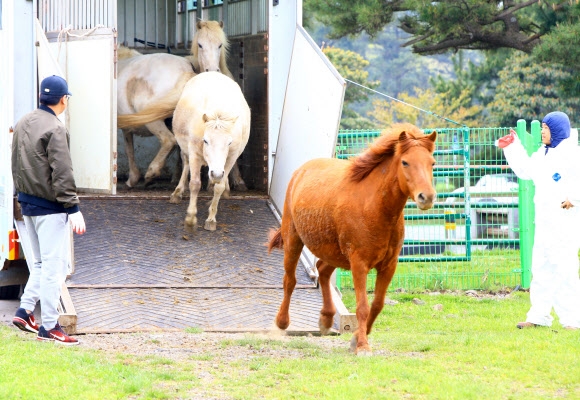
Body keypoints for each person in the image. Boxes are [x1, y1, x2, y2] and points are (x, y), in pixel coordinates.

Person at [11, 75, 86, 345]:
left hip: (27, 204)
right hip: (50, 208)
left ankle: (24, 310)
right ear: (63, 99)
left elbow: (15, 164)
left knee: (42, 264)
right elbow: (62, 171)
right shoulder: (55, 128)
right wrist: (73, 207)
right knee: (55, 268)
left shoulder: (23, 122)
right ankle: (51, 326)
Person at [496, 111, 580, 330]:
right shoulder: (543, 153)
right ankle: (538, 317)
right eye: (542, 127)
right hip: (544, 224)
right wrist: (512, 146)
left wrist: (574, 198)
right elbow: (525, 170)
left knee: (565, 271)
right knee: (541, 269)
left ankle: (573, 320)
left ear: (557, 130)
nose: (542, 132)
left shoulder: (573, 155)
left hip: (565, 224)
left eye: (545, 128)